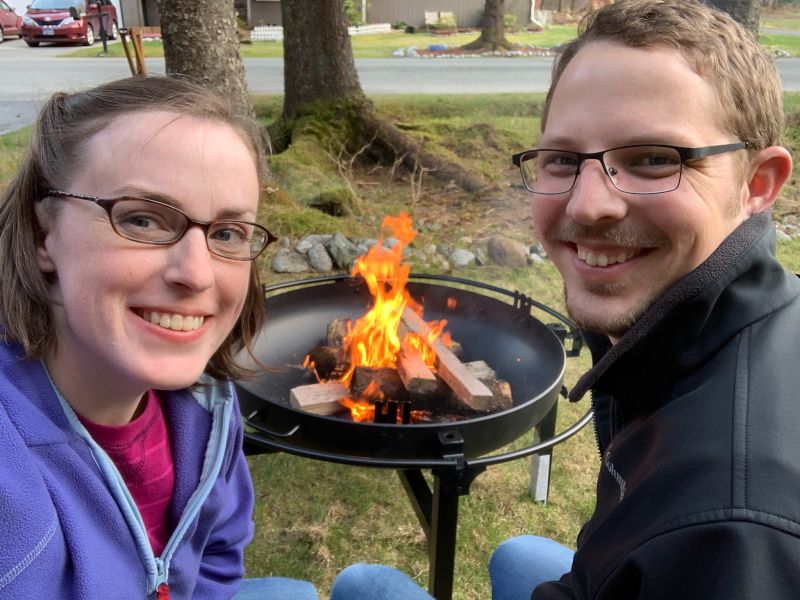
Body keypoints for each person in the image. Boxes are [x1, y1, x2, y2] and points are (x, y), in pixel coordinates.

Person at [330, 0, 800, 598]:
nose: (585, 206)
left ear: (758, 183)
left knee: (363, 584)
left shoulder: (731, 536)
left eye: (654, 159)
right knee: (520, 552)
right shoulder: (748, 321)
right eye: (562, 160)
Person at [0, 75, 318, 599]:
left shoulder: (207, 406)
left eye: (227, 233)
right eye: (143, 220)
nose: (197, 274)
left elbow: (218, 555)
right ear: (43, 235)